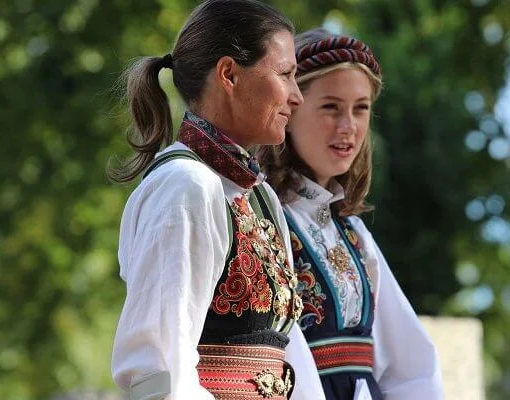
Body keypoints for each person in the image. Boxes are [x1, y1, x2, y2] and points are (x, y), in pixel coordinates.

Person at [109, 1, 325, 399]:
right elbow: (156, 371)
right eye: (286, 74)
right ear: (229, 74)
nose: (296, 96)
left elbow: (287, 355)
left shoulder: (260, 198)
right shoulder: (185, 186)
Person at [257, 28, 444, 400]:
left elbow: (413, 370)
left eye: (361, 108)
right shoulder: (260, 220)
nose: (349, 127)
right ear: (289, 109)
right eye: (330, 107)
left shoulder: (355, 234)